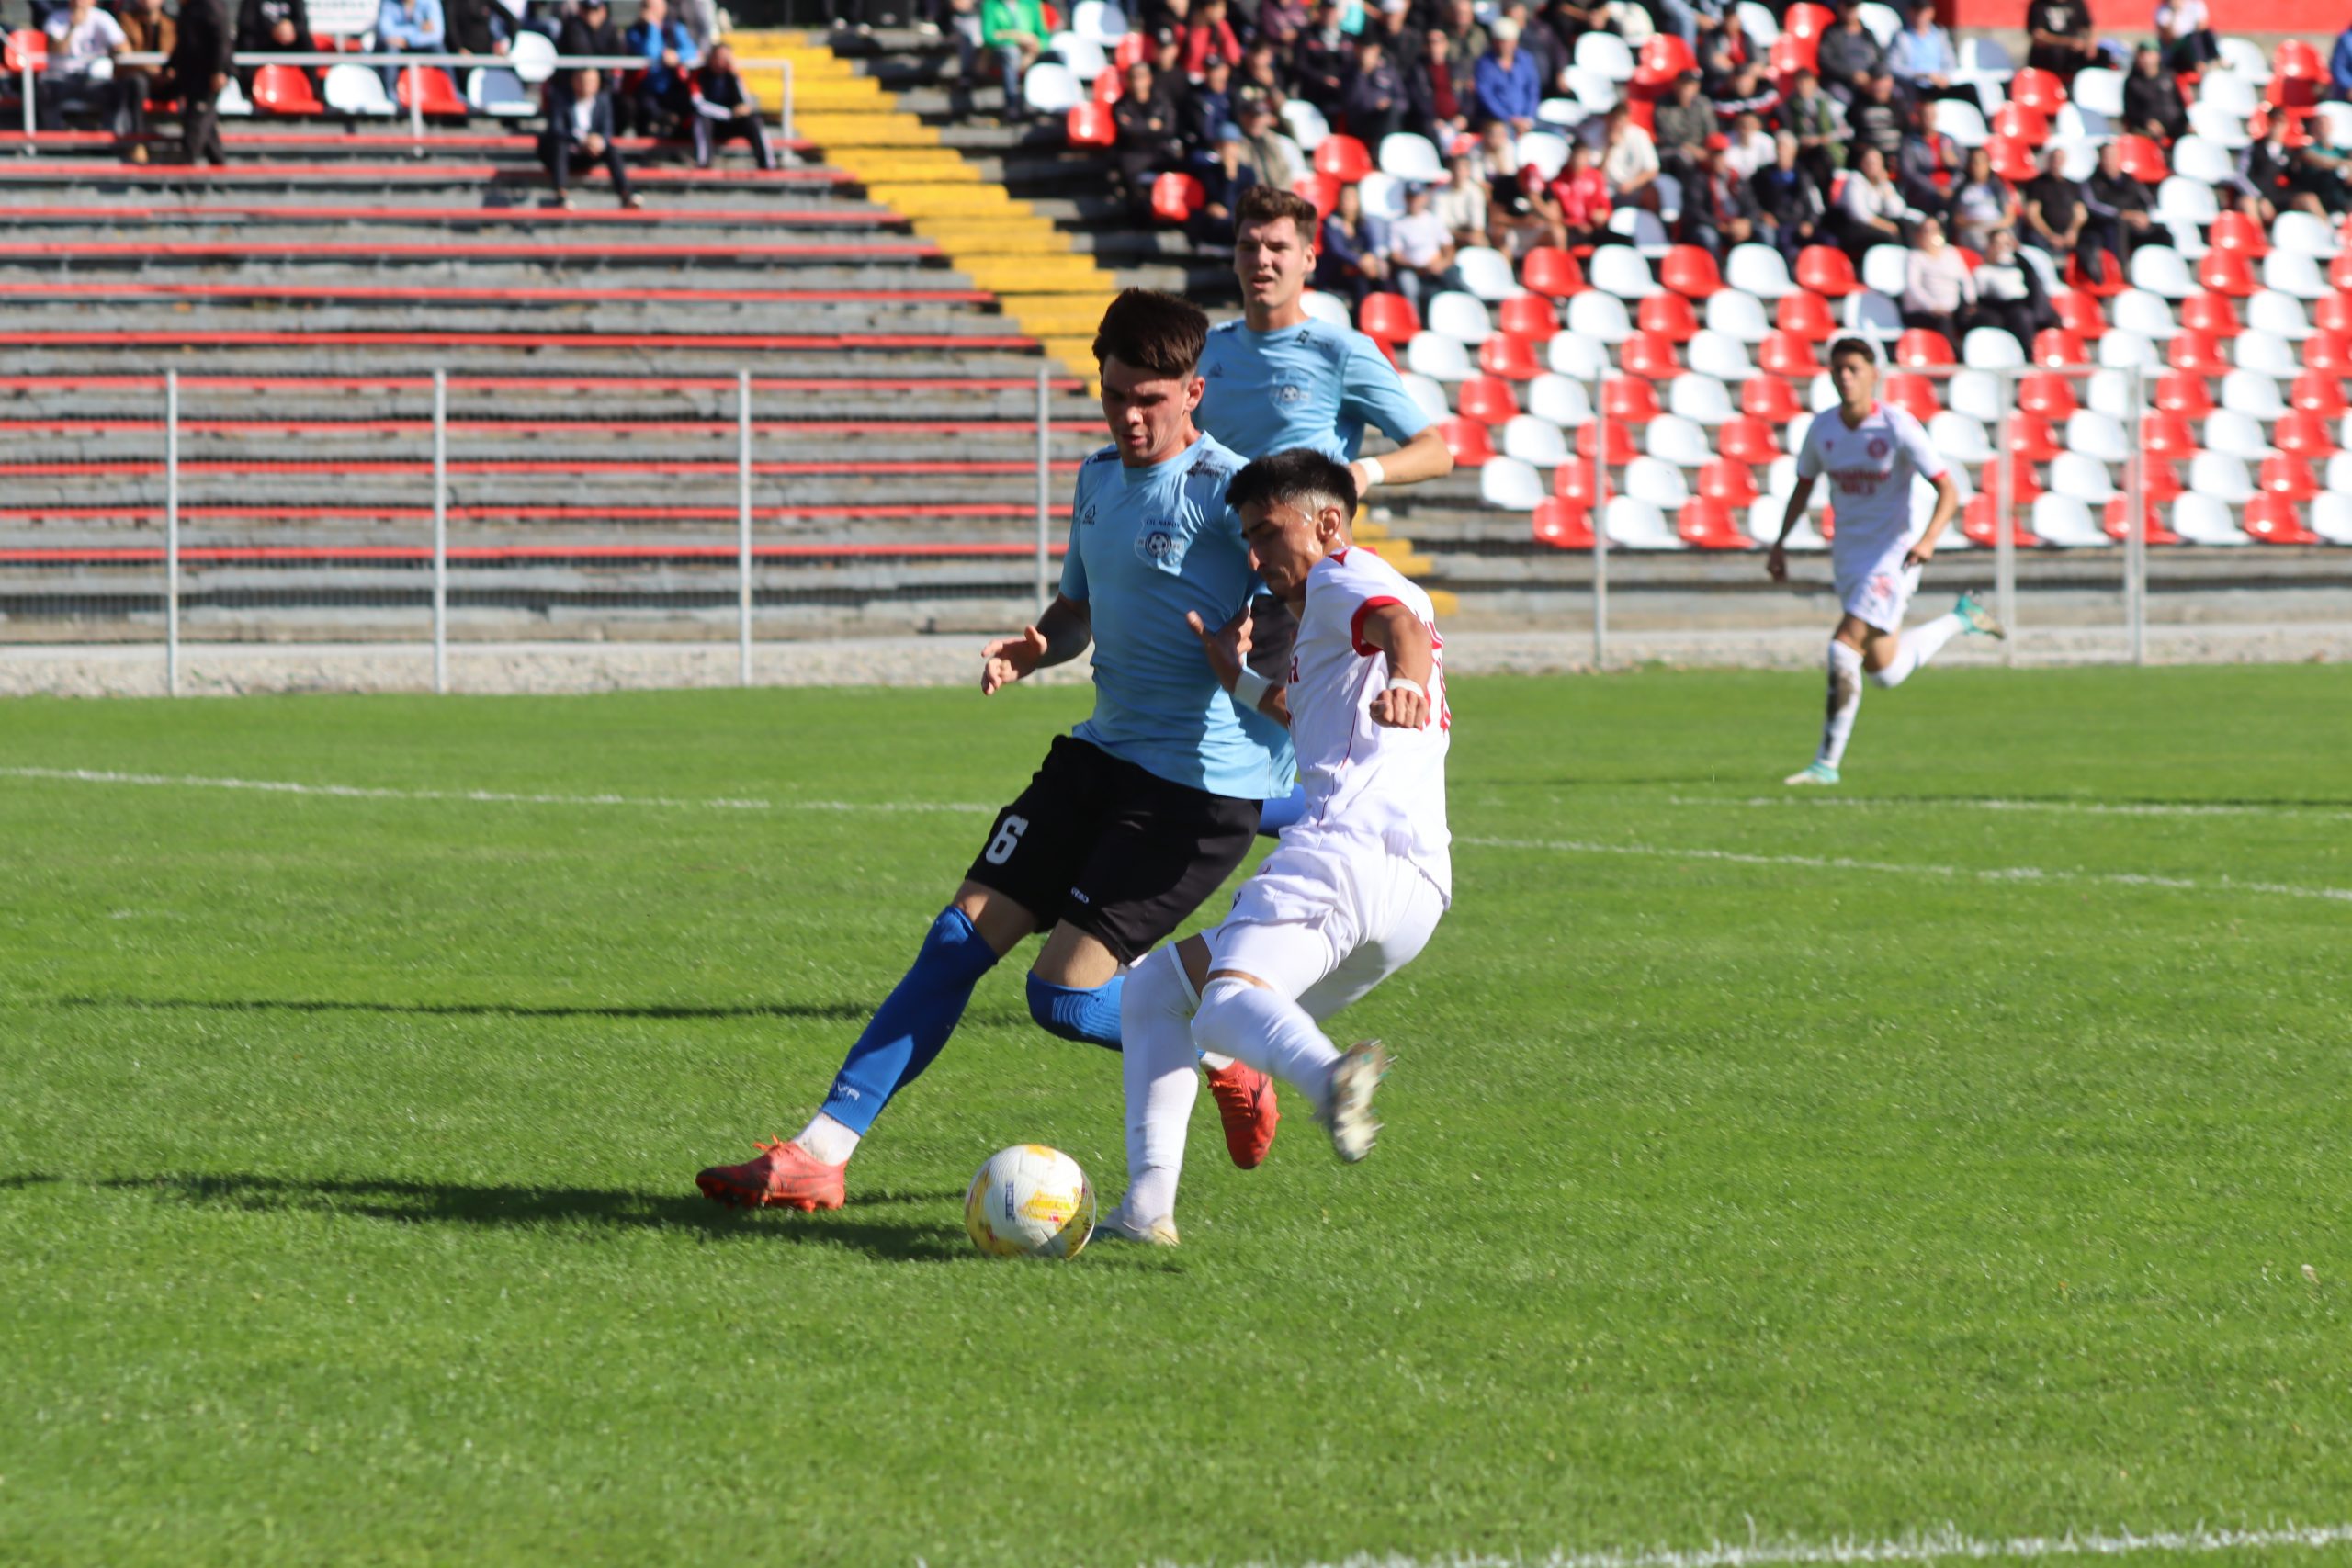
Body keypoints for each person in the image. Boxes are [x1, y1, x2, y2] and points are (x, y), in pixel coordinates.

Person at [694, 289, 1289, 1213]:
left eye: (1151, 399)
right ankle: (819, 1152)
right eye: (1115, 395)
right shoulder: (1097, 477)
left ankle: (1222, 1049)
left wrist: (1266, 651)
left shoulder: (1234, 493)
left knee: (1063, 1000)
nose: (1130, 417)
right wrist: (1040, 646)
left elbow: (1306, 593)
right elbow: (1078, 609)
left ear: (1193, 392)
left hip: (1195, 791)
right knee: (954, 939)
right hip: (1099, 757)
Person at [1104, 448, 1451, 1244]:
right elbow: (1313, 710)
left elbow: (1399, 632)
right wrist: (1235, 677)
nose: (1256, 558)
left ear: (1327, 523)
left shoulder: (1341, 579)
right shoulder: (1355, 605)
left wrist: (1404, 678)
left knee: (1225, 1006)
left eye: (1267, 533)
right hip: (1416, 891)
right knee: (1158, 989)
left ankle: (1331, 1079)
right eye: (1248, 539)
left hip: (1343, 855)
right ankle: (1147, 1209)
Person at [1196, 184, 1454, 846]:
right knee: (1189, 768)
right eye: (1248, 245)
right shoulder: (1208, 352)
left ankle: (1348, 858)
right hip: (1211, 587)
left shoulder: (1340, 351)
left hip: (1295, 597)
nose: (1262, 259)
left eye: (1278, 246)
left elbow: (1435, 450)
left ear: (1309, 258)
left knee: (1259, 782)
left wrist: (1360, 474)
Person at [1768, 338, 2001, 788]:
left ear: (1875, 375)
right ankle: (1961, 619)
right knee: (1884, 671)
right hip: (1849, 557)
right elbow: (1803, 485)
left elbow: (1948, 489)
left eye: (1854, 368)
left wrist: (1929, 540)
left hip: (1895, 557)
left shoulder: (1897, 427)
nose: (1845, 377)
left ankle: (1825, 765)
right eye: (1838, 369)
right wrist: (1779, 543)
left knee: (1843, 648)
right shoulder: (1823, 429)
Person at [538, 66, 640, 209]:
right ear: (573, 81)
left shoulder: (603, 99)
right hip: (564, 152)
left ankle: (626, 194)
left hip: (590, 152)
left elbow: (607, 130)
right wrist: (583, 140)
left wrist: (598, 141)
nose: (586, 85)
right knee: (559, 145)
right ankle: (560, 195)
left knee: (611, 149)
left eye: (591, 81)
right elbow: (556, 129)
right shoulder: (561, 98)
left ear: (597, 83)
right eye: (583, 81)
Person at [40, 0, 129, 134]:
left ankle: (110, 135)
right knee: (46, 91)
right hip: (61, 78)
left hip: (93, 79)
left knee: (117, 91)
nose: (79, 2)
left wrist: (113, 49)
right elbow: (57, 50)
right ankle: (55, 136)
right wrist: (73, 27)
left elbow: (124, 48)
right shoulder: (56, 18)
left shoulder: (103, 18)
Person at [166, 0, 233, 166]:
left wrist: (218, 70)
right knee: (205, 123)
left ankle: (184, 163)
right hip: (191, 74)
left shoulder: (210, 6)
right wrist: (170, 66)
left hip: (207, 75)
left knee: (196, 119)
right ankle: (219, 165)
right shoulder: (188, 8)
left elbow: (221, 39)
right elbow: (184, 42)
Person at [688, 42, 775, 170]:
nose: (722, 62)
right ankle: (703, 163)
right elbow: (698, 104)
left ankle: (767, 164)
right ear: (711, 58)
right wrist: (729, 113)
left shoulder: (733, 75)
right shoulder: (698, 74)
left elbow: (745, 102)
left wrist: (736, 76)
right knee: (701, 119)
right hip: (710, 124)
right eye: (719, 57)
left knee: (754, 120)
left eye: (726, 58)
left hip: (732, 124)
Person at [1113, 61, 1182, 212]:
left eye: (1141, 77)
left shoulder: (1161, 101)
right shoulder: (1121, 105)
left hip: (1160, 151)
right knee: (1129, 175)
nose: (1137, 82)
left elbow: (1169, 129)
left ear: (1149, 79)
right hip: (1134, 153)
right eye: (1133, 77)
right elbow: (1127, 131)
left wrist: (1138, 126)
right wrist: (1150, 126)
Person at [624, 0, 699, 136]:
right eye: (648, 7)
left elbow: (692, 51)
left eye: (655, 7)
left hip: (671, 86)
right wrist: (653, 27)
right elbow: (650, 53)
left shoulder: (675, 28)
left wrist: (677, 56)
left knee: (688, 103)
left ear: (664, 9)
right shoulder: (635, 31)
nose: (652, 11)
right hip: (645, 87)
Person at [1967, 227, 2052, 345]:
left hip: (2018, 305)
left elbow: (2033, 286)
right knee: (1992, 321)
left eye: (2006, 243)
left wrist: (2017, 255)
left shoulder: (2021, 266)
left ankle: (2027, 350)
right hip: (1993, 307)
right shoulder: (1982, 270)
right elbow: (1977, 295)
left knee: (2022, 317)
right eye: (1997, 243)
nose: (2002, 248)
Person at [2082, 140, 2153, 283]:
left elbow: (2148, 202)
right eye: (2107, 156)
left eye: (2113, 156)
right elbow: (2093, 206)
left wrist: (2144, 216)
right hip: (2105, 225)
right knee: (2118, 228)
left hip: (2134, 223)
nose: (2110, 160)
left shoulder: (2130, 180)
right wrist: (2120, 214)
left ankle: (2157, 272)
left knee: (2161, 233)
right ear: (2100, 158)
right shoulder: (2092, 182)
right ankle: (2122, 274)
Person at [1901, 216, 1973, 351]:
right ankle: (1952, 354)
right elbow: (1913, 286)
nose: (1930, 235)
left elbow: (1965, 278)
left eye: (1934, 230)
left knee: (1981, 318)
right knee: (1944, 321)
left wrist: (1970, 301)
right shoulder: (1915, 256)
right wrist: (1933, 307)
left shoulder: (1951, 252)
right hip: (1927, 312)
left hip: (1955, 308)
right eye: (1926, 231)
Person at [1832, 144, 1917, 257]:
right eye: (1869, 162)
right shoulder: (1855, 180)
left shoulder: (1883, 183)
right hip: (1852, 227)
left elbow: (1898, 211)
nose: (1873, 166)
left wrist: (1885, 187)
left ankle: (1913, 259)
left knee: (1906, 226)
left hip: (1876, 224)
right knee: (1889, 236)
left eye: (1876, 162)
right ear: (1861, 163)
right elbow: (1859, 215)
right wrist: (1886, 226)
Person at [1386, 180, 1462, 307]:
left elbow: (1449, 248)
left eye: (1417, 197)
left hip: (1436, 266)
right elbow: (1395, 255)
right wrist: (1418, 266)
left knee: (1455, 280)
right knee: (1409, 286)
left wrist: (1441, 264)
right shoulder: (1397, 224)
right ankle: (1414, 316)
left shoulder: (1433, 220)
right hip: (1412, 269)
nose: (1414, 201)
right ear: (1405, 198)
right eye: (1411, 197)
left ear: (1424, 198)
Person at [1752, 129, 1826, 257]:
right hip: (1778, 223)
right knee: (1783, 241)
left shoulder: (1804, 175)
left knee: (1828, 240)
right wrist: (1762, 214)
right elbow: (1752, 199)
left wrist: (1810, 222)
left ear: (1793, 151)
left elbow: (1816, 205)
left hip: (1800, 222)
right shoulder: (1763, 175)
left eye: (1784, 147)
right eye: (1778, 147)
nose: (1780, 151)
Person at [2020, 145, 2091, 278]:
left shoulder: (2073, 185)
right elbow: (2032, 214)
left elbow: (2081, 213)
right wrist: (2050, 235)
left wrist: (2072, 231)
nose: (2056, 162)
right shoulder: (2037, 184)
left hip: (2068, 233)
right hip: (2044, 234)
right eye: (2054, 158)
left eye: (2059, 159)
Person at [1684, 133, 1759, 256]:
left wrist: (1746, 222)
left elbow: (1752, 206)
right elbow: (1695, 212)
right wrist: (1721, 226)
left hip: (1737, 225)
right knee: (1708, 236)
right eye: (1714, 154)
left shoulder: (1737, 178)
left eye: (1721, 154)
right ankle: (1714, 268)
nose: (1718, 158)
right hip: (1713, 226)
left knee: (1763, 232)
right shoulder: (1697, 178)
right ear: (1707, 154)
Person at [116, 0, 174, 161]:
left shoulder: (170, 25)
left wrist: (170, 71)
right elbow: (125, 55)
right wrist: (149, 67)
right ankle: (138, 142)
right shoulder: (126, 21)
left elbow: (174, 54)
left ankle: (194, 141)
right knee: (137, 83)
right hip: (136, 78)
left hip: (163, 80)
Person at [1317, 181, 1392, 303]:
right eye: (1343, 198)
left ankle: (1388, 309)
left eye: (1350, 198)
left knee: (1383, 276)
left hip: (1363, 268)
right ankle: (1362, 313)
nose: (1346, 202)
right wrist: (1359, 261)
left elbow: (1371, 244)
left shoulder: (1362, 222)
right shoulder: (1331, 222)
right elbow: (1337, 250)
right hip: (1338, 270)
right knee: (1360, 282)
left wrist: (1370, 260)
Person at [1784, 69, 1849, 195]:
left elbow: (1845, 130)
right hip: (1803, 152)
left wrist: (1822, 139)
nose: (1803, 88)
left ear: (1814, 83)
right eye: (1799, 84)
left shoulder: (1827, 102)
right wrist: (1800, 140)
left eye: (1806, 83)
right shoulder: (1791, 104)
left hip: (1828, 151)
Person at [1474, 16, 1543, 136]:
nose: (1505, 46)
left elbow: (1532, 90)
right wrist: (1509, 119)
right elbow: (1487, 97)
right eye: (1501, 42)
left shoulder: (1526, 60)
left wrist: (1527, 117)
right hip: (1498, 122)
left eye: (1509, 41)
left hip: (1526, 121)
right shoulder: (1484, 65)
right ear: (1494, 42)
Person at [1897, 99, 1962, 220]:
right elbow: (1909, 172)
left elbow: (1962, 169)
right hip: (1925, 192)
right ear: (1919, 117)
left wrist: (1954, 165)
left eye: (1931, 115)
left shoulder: (1948, 140)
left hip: (1950, 190)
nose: (1928, 119)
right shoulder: (1909, 143)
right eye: (1925, 115)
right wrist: (1936, 189)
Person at [1193, 122, 1257, 245]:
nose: (1228, 150)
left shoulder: (1247, 173)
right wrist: (1210, 208)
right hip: (1215, 222)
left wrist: (1230, 177)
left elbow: (1247, 202)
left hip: (1237, 220)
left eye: (1232, 145)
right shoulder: (1209, 172)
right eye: (1223, 145)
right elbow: (1210, 200)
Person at [980, 0, 1046, 117]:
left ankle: (1042, 103)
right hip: (1002, 52)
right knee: (1012, 53)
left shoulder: (1032, 3)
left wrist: (1033, 51)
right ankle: (1012, 104)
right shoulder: (991, 4)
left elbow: (1044, 37)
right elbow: (988, 37)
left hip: (1031, 51)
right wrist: (1018, 38)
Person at [1816, 0, 1885, 107]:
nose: (1851, 11)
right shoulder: (1831, 33)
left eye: (1854, 7)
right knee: (1841, 100)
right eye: (1848, 6)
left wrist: (1877, 77)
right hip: (1842, 82)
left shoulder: (1867, 34)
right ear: (1839, 7)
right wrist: (1852, 75)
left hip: (1869, 82)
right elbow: (1825, 60)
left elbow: (1881, 58)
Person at [1949, 144, 2018, 253]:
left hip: (1997, 225)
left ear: (1988, 164)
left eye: (1982, 162)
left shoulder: (1999, 187)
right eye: (1974, 162)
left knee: (2003, 239)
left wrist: (1993, 226)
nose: (1978, 166)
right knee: (1976, 239)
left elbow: (2009, 217)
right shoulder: (1961, 189)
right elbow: (1956, 219)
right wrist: (1977, 224)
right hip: (1973, 228)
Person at [1342, 37, 1408, 148]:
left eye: (1370, 51)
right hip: (1362, 120)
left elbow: (1404, 101)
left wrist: (1390, 103)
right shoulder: (1350, 72)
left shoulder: (1388, 71)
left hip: (1386, 118)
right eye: (1363, 51)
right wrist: (1362, 73)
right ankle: (1381, 152)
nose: (1366, 55)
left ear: (1377, 50)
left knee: (1392, 112)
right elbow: (1351, 101)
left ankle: (1387, 150)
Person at [1652, 70, 1714, 186]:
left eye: (1691, 85)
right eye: (1683, 84)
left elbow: (1712, 132)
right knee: (1681, 158)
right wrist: (1691, 149)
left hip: (1702, 150)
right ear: (1675, 85)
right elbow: (1666, 136)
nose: (1686, 89)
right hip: (1675, 149)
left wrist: (1708, 151)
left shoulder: (1703, 104)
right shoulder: (1663, 104)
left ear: (1697, 87)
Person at [1884, 0, 1955, 99]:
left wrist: (1943, 77)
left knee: (1968, 89)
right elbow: (1893, 66)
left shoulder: (1940, 34)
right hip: (1913, 84)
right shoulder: (1901, 37)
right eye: (1917, 12)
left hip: (1938, 83)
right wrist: (1920, 75)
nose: (1921, 16)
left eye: (1924, 12)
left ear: (1931, 12)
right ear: (1909, 13)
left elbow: (1950, 62)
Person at [1550, 137, 1611, 247]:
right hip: (1571, 230)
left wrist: (1602, 215)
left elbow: (1606, 207)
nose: (1578, 159)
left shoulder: (1596, 177)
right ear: (1569, 157)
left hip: (1594, 227)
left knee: (1618, 238)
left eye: (1582, 155)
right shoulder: (1558, 182)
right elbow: (1556, 214)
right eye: (1576, 155)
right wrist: (1575, 224)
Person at [375, 0, 446, 94]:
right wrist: (418, 29)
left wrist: (408, 40)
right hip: (400, 48)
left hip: (422, 46)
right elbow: (386, 32)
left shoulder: (430, 2)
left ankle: (453, 91)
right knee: (391, 48)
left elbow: (437, 35)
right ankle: (390, 92)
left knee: (438, 48)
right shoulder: (389, 3)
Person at [2122, 44, 2188, 142]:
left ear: (2158, 56)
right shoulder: (2132, 82)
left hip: (2176, 127)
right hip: (2147, 129)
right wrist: (2146, 122)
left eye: (2148, 54)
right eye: (2141, 55)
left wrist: (2186, 123)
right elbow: (2130, 112)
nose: (2144, 59)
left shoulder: (2169, 76)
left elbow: (2181, 105)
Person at [2024, 0, 2095, 83]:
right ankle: (2057, 84)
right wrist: (2069, 42)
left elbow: (2088, 27)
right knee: (2057, 53)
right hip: (2050, 50)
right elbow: (2039, 35)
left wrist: (2089, 44)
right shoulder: (2039, 5)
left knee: (2099, 55)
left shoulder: (2076, 3)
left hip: (2075, 49)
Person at [1847, 71, 1906, 165]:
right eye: (1877, 85)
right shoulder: (1860, 104)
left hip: (1894, 157)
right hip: (1869, 159)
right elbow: (1851, 123)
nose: (1880, 88)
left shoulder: (1898, 105)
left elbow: (1906, 129)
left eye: (1883, 86)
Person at [233, 0, 309, 62]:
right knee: (247, 40)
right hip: (262, 41)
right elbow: (246, 22)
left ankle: (312, 75)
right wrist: (274, 29)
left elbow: (303, 23)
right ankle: (246, 75)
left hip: (287, 42)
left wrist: (291, 28)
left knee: (305, 39)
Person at [2153, 0, 2215, 73]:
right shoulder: (2162, 10)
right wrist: (2174, 13)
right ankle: (2200, 65)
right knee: (2191, 39)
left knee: (2205, 33)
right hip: (2176, 46)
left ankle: (2216, 58)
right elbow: (2167, 37)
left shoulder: (2195, 4)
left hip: (2195, 42)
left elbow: (2202, 26)